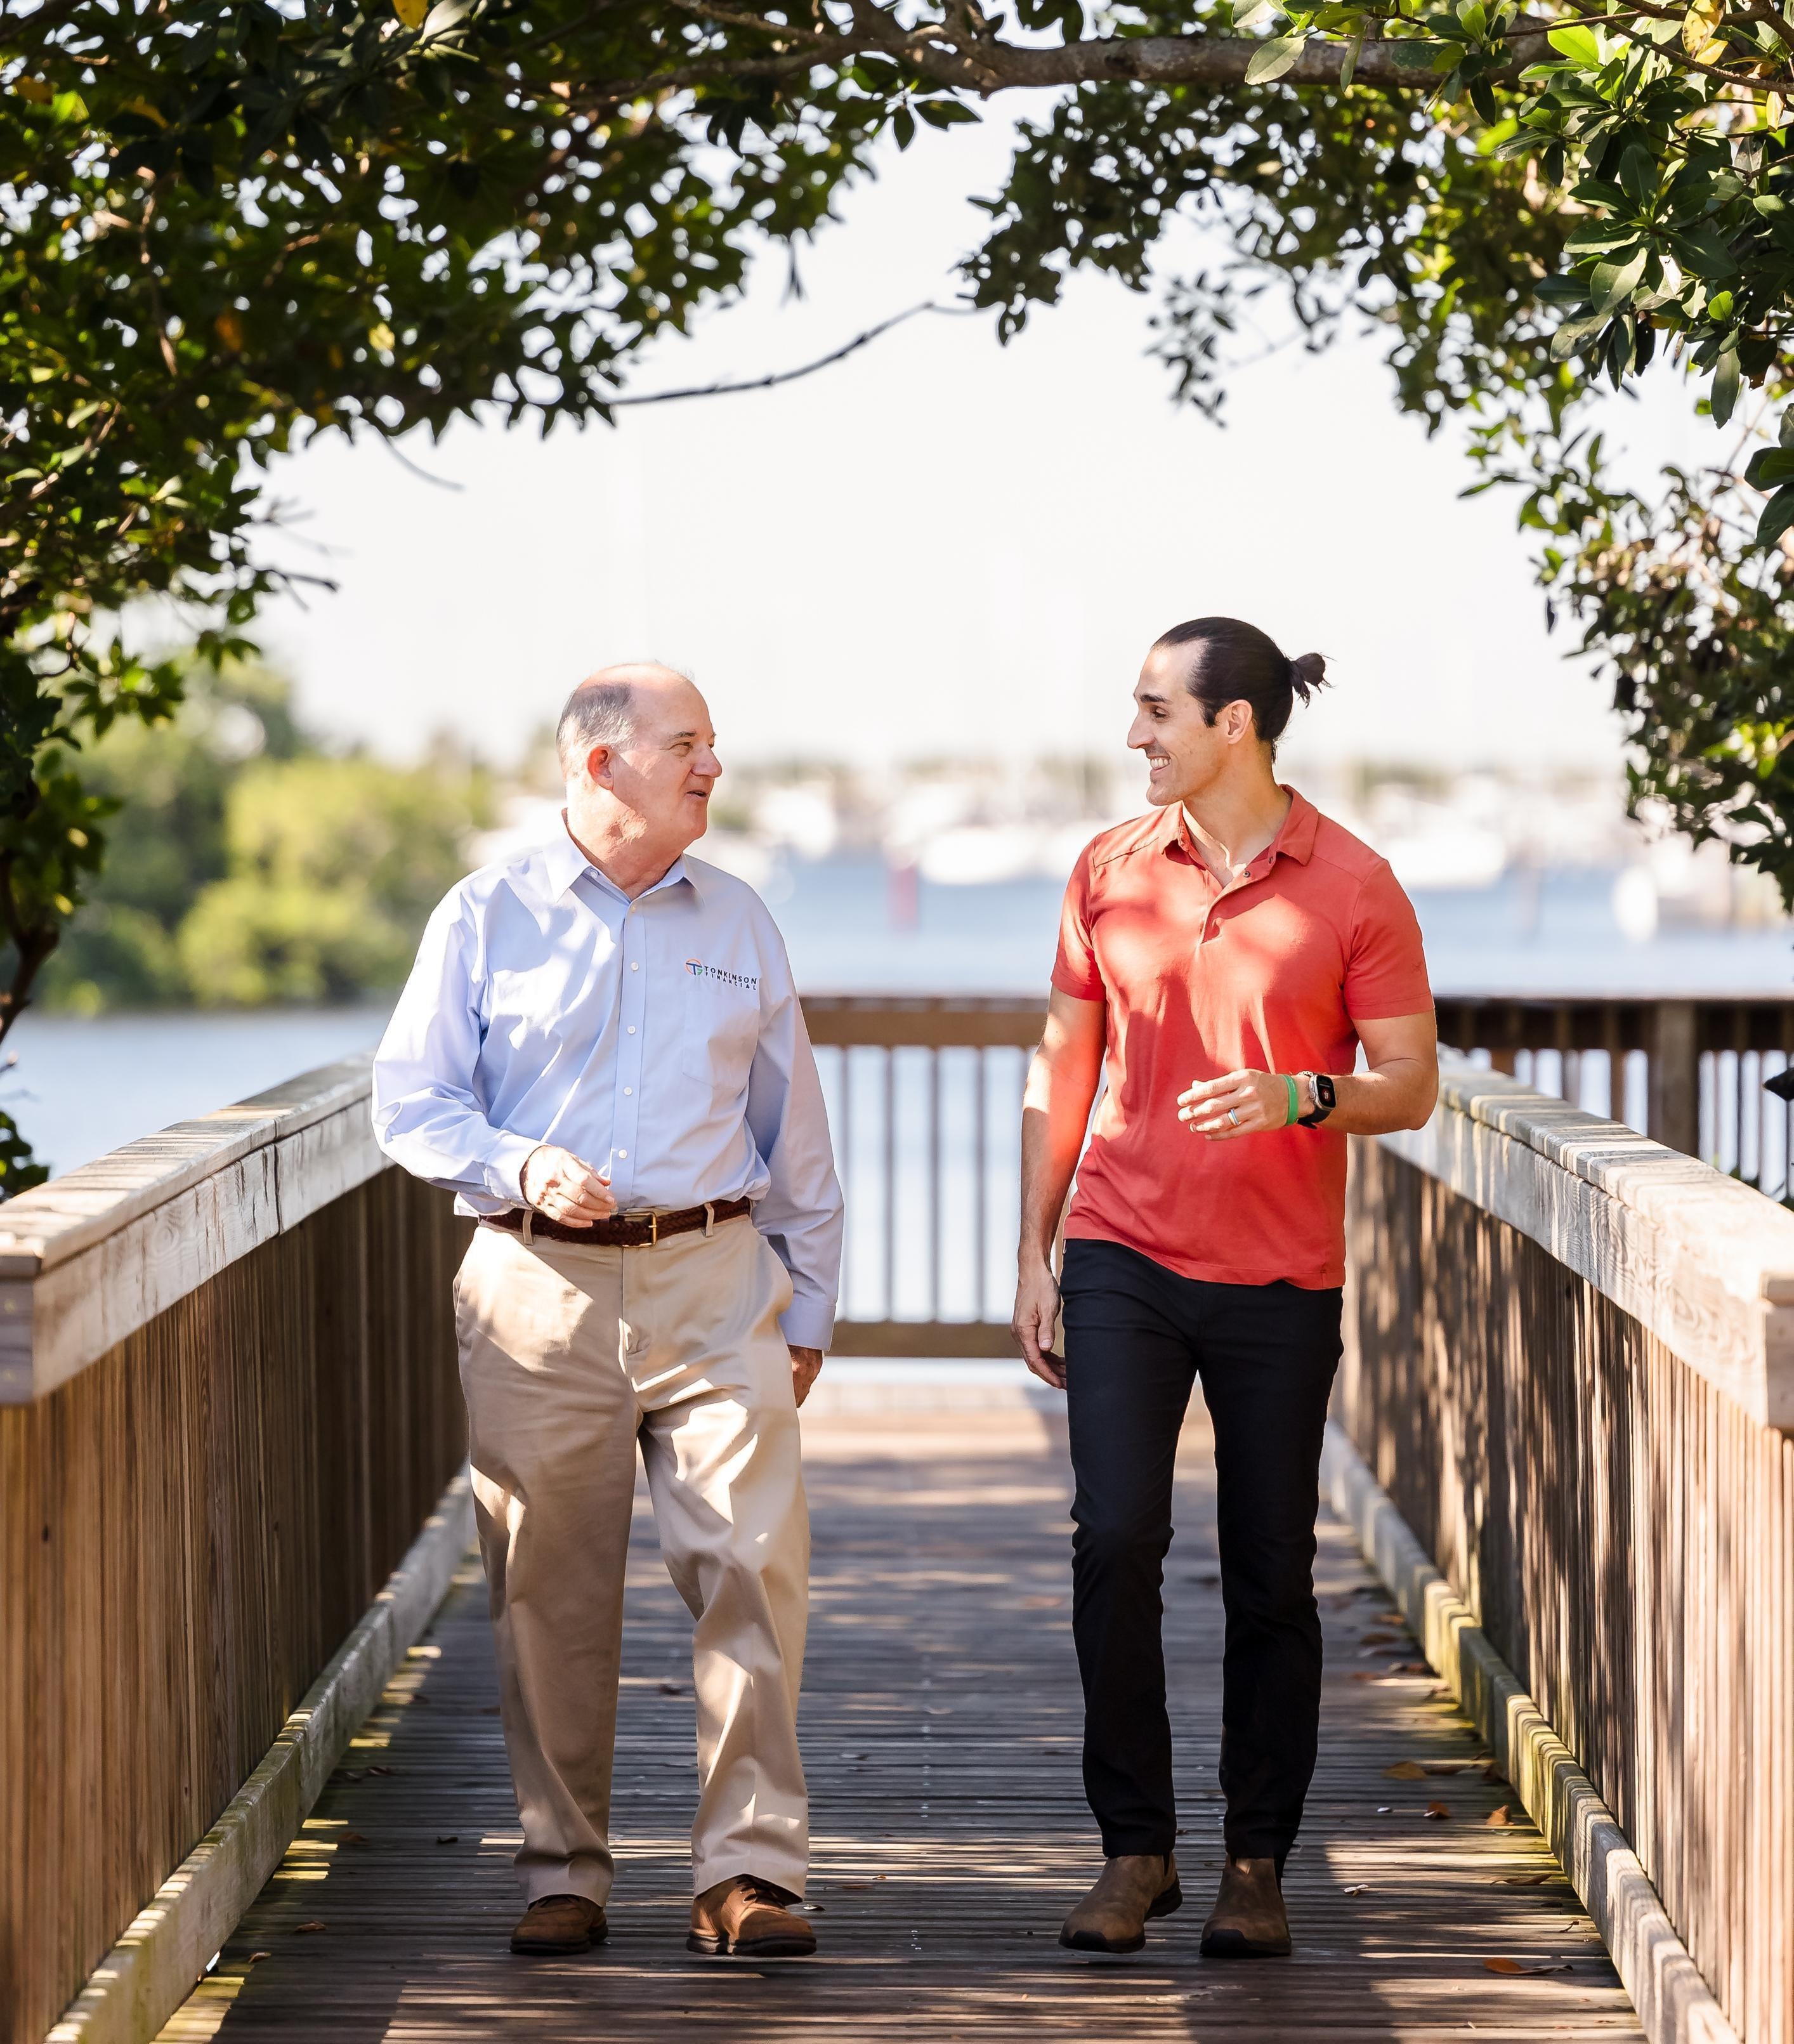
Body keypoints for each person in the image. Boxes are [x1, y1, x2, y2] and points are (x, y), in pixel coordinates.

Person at [371, 663, 844, 1963]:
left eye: (712, 746)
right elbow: (410, 1104)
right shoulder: (484, 915)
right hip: (537, 1290)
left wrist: (810, 1308)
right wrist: (521, 1163)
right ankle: (562, 1869)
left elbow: (791, 1129)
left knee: (753, 1566)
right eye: (686, 745)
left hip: (715, 1280)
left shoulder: (741, 919)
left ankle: (747, 1874)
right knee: (547, 1587)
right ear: (600, 766)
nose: (711, 767)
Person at [1011, 618, 1437, 1960]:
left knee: (1268, 1575)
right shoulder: (1107, 871)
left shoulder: (1356, 884)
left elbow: (1410, 1086)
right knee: (1116, 1539)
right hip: (1123, 1257)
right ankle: (1134, 1852)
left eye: (1154, 710)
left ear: (1232, 723)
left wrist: (1302, 1093)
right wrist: (1036, 1254)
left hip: (1279, 1281)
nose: (1133, 733)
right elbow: (1060, 1067)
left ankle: (1257, 1865)